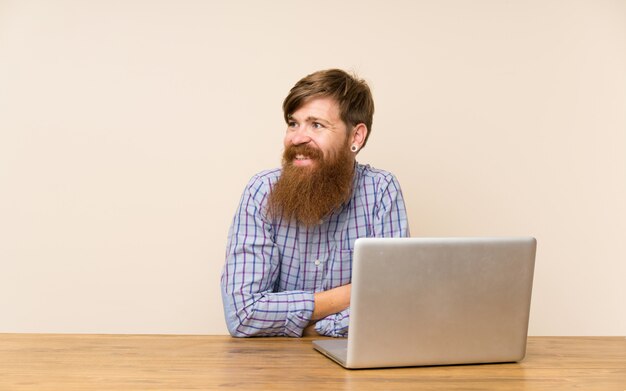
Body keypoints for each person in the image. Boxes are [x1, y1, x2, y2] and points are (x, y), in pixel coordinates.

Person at [220, 69, 410, 337]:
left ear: (356, 137)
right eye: (293, 123)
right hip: (272, 372)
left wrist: (311, 327)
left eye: (316, 125)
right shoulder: (261, 191)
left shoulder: (381, 190)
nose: (297, 138)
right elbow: (243, 314)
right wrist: (352, 294)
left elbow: (394, 305)